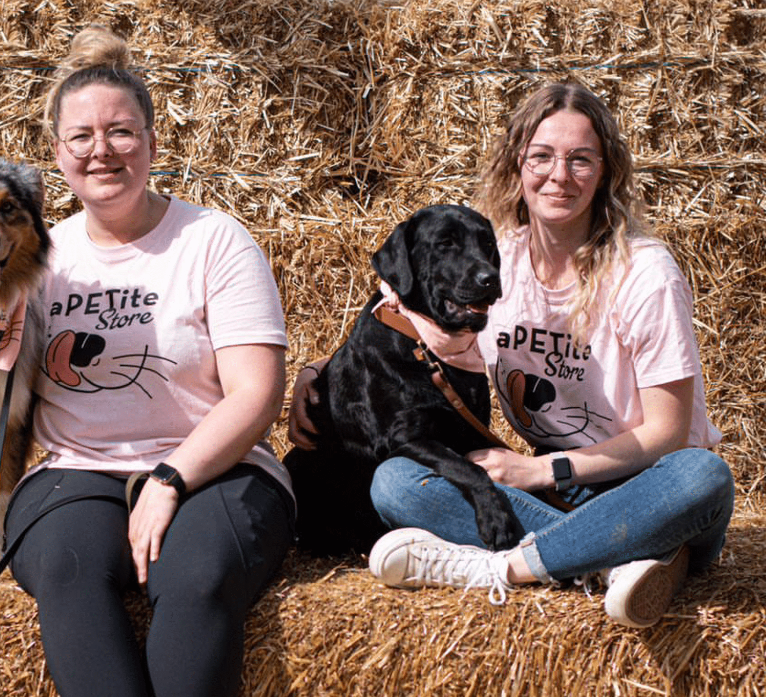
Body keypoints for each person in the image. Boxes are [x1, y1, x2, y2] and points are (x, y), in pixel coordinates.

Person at [0, 27, 295, 697]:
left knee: (197, 573)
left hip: (215, 468)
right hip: (74, 469)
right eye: (81, 136)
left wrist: (171, 479)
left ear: (152, 141)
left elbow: (256, 394)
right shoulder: (31, 253)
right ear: (57, 153)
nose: (102, 150)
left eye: (121, 132)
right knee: (70, 569)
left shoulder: (214, 241)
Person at [289, 82, 733, 628]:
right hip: (557, 495)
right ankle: (616, 558)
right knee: (396, 482)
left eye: (580, 159)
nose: (559, 175)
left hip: (647, 487)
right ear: (517, 165)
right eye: (542, 156)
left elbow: (667, 434)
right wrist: (317, 372)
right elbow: (399, 316)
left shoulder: (645, 273)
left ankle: (507, 567)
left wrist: (538, 470)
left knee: (703, 475)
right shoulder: (494, 258)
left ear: (606, 172)